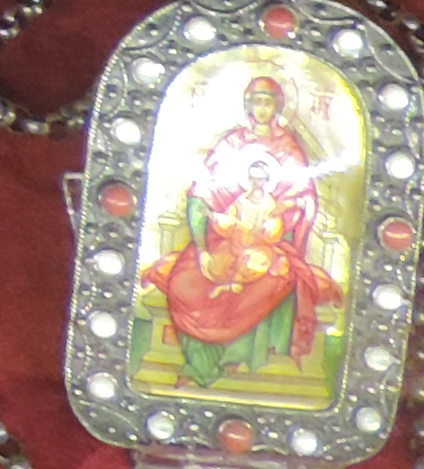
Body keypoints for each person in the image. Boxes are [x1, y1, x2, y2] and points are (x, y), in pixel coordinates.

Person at [145, 72, 343, 394]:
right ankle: (200, 366)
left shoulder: (288, 148)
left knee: (263, 285)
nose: (262, 109)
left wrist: (280, 218)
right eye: (257, 102)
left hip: (269, 246)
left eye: (268, 103)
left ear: (278, 107)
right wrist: (203, 249)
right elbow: (202, 192)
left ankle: (236, 360)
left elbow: (303, 198)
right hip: (223, 241)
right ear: (248, 105)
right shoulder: (231, 144)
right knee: (186, 280)